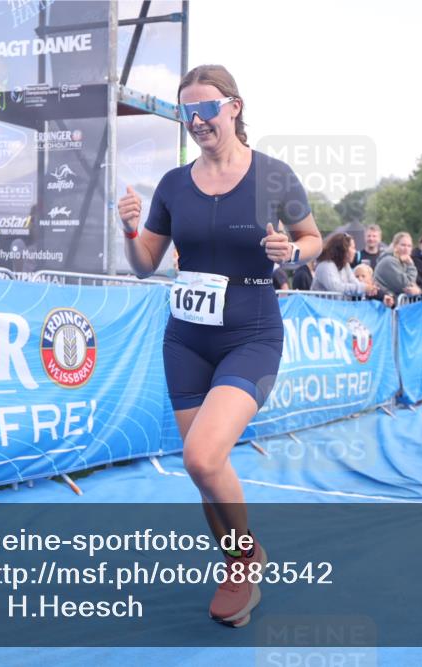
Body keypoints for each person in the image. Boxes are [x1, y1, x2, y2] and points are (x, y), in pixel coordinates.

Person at [117, 64, 322, 628]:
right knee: (204, 470)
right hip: (185, 339)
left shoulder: (273, 176)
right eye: (187, 111)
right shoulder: (173, 185)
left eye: (207, 107)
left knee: (202, 456)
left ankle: (243, 558)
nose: (197, 120)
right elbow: (142, 268)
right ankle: (239, 559)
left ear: (234, 107)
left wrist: (293, 253)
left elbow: (314, 238)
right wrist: (130, 231)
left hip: (251, 335)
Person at [312, 233, 375, 297]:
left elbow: (353, 281)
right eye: (353, 248)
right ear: (344, 249)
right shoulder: (326, 266)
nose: (355, 252)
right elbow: (336, 288)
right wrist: (363, 288)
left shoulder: (345, 265)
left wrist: (369, 289)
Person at [374, 231, 422, 298]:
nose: (406, 249)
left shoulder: (403, 262)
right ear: (395, 246)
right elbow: (407, 286)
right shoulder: (390, 261)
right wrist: (411, 265)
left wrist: (418, 290)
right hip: (384, 304)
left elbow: (414, 284)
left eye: (409, 246)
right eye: (403, 245)